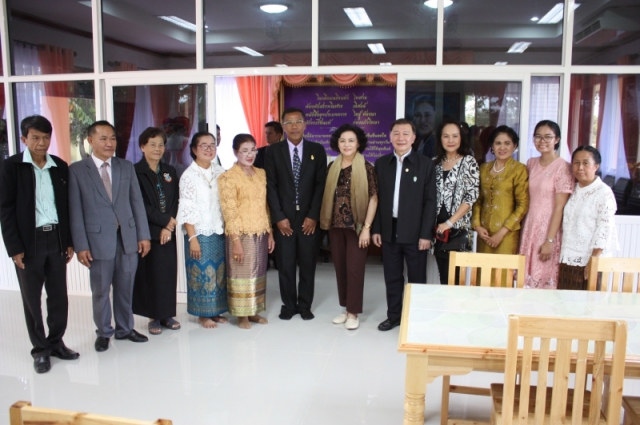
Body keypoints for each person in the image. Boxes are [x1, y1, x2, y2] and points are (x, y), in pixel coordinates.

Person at [0, 115, 78, 373]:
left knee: (59, 296)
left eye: (46, 137)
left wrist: (68, 240)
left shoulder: (59, 166)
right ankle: (40, 350)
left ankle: (56, 343)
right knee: (32, 299)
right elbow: (5, 209)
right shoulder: (11, 167)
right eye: (35, 138)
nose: (42, 143)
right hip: (28, 242)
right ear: (24, 139)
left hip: (55, 238)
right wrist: (14, 248)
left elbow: (65, 207)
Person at [69, 120, 151, 352]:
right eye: (103, 138)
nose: (109, 143)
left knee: (126, 287)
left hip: (127, 238)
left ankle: (125, 328)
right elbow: (75, 210)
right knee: (101, 291)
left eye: (113, 138)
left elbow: (136, 202)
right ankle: (104, 332)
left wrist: (143, 235)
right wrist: (80, 245)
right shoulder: (77, 170)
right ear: (90, 140)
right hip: (97, 241)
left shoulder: (126, 166)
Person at [372, 118, 436, 331]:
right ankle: (394, 316)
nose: (401, 138)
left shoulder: (425, 164)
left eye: (406, 133)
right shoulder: (382, 163)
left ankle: (416, 318)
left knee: (416, 278)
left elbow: (430, 202)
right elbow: (376, 199)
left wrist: (426, 234)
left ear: (413, 138)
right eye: (396, 133)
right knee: (392, 276)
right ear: (390, 137)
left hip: (416, 233)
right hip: (389, 230)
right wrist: (377, 229)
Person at [265, 107, 327, 321]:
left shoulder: (317, 150)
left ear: (305, 124)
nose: (294, 126)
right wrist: (278, 217)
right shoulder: (273, 151)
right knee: (286, 264)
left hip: (309, 218)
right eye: (289, 122)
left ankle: (305, 305)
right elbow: (270, 186)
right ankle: (289, 305)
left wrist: (313, 215)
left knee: (308, 264)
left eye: (298, 121)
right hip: (285, 219)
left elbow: (321, 185)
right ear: (283, 126)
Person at [319, 124, 378, 330]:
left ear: (358, 143)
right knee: (341, 268)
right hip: (336, 226)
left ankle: (353, 313)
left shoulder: (367, 168)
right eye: (342, 140)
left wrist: (367, 228)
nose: (346, 144)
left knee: (354, 269)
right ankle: (346, 309)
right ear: (337, 143)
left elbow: (373, 199)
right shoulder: (332, 167)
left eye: (351, 140)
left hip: (357, 227)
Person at [218, 134, 275, 329]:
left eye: (253, 150)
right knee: (240, 274)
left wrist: (270, 232)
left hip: (260, 232)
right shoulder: (227, 178)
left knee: (257, 272)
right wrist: (236, 241)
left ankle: (253, 311)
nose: (250, 155)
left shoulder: (261, 174)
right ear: (235, 152)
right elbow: (229, 212)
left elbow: (265, 205)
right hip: (240, 234)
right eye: (244, 151)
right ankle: (241, 315)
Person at [177, 131, 228, 328]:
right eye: (204, 145)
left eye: (212, 145)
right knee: (200, 272)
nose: (209, 149)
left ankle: (216, 311)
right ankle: (202, 314)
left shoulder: (220, 172)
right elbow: (187, 209)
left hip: (218, 231)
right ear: (194, 149)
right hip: (198, 234)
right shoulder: (188, 176)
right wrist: (193, 239)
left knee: (218, 272)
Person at [132, 127, 180, 335]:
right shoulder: (135, 172)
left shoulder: (170, 171)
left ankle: (167, 314)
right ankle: (153, 317)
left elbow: (176, 200)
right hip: (148, 231)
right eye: (152, 144)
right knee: (150, 275)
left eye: (161, 145)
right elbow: (140, 204)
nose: (157, 149)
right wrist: (164, 222)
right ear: (142, 146)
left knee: (168, 273)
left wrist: (169, 226)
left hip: (168, 231)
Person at [518, 121, 573, 289]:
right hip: (530, 225)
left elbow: (559, 207)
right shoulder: (531, 163)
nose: (542, 141)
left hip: (548, 227)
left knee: (544, 277)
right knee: (525, 279)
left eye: (548, 137)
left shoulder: (564, 167)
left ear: (557, 139)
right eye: (538, 137)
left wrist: (549, 240)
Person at [558, 146, 618, 290]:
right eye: (576, 162)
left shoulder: (603, 192)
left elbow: (604, 228)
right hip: (567, 257)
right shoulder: (573, 189)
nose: (580, 167)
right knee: (564, 300)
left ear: (596, 166)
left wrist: (593, 260)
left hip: (590, 260)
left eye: (585, 163)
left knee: (589, 301)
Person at [432, 119, 479, 285]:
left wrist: (449, 223)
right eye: (446, 136)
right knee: (444, 277)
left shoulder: (469, 162)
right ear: (440, 138)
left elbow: (471, 197)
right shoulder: (434, 163)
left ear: (461, 138)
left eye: (455, 136)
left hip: (457, 230)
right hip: (438, 231)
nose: (450, 140)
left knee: (455, 280)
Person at [472, 126, 529, 255]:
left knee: (503, 268)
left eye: (507, 143)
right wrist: (477, 226)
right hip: (484, 234)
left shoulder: (519, 170)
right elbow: (478, 201)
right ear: (492, 146)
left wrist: (502, 232)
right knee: (482, 267)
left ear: (514, 146)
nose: (502, 147)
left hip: (507, 235)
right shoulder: (484, 168)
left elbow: (523, 205)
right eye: (498, 143)